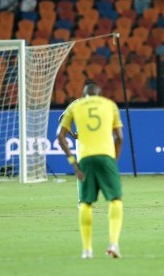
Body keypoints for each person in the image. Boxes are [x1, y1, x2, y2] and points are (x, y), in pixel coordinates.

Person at [56, 80, 124, 258]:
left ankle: (87, 250)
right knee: (115, 200)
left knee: (85, 203)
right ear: (99, 93)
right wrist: (114, 161)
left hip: (84, 155)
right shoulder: (109, 105)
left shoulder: (76, 105)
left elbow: (60, 126)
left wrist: (74, 139)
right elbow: (120, 137)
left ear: (84, 93)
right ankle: (114, 245)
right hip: (106, 155)